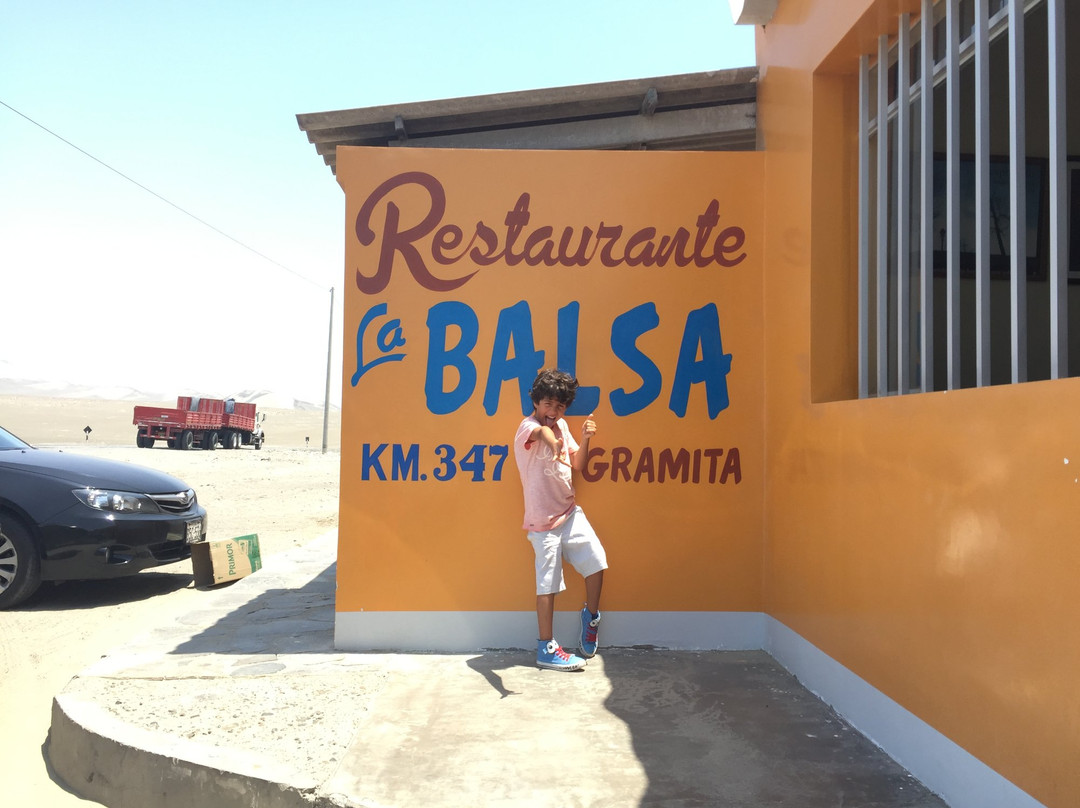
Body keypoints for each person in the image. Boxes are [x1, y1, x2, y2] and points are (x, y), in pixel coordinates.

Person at [513, 369, 608, 671]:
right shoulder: (526, 427)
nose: (553, 412)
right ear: (536, 402)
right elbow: (540, 433)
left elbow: (578, 464)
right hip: (542, 524)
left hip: (569, 513)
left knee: (597, 561)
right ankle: (546, 648)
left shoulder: (563, 426)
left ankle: (590, 616)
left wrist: (583, 438)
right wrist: (551, 441)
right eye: (547, 405)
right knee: (547, 585)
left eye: (559, 406)